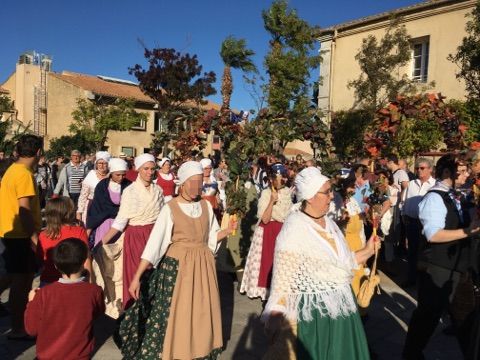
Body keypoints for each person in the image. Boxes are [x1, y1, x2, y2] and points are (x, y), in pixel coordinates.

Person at [119, 161, 235, 359]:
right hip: (178, 269)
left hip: (203, 267)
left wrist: (229, 228)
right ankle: (178, 349)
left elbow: (211, 238)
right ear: (182, 183)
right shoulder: (170, 208)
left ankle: (200, 348)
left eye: (199, 182)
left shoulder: (206, 206)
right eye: (192, 182)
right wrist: (137, 277)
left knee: (201, 310)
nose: (195, 187)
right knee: (179, 312)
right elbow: (155, 245)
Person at [263, 167, 377, 359]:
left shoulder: (329, 223)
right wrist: (276, 316)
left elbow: (344, 262)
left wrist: (368, 249)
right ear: (310, 196)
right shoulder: (294, 230)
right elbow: (283, 280)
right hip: (317, 315)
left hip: (343, 308)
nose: (331, 196)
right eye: (326, 192)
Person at [403, 155, 480, 359]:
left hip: (460, 268)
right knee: (426, 318)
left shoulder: (457, 195)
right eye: (461, 171)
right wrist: (468, 232)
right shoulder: (434, 198)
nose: (466, 175)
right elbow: (433, 234)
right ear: (447, 173)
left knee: (466, 320)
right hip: (438, 268)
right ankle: (412, 354)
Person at [100, 153, 164, 309]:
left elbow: (164, 217)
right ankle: (134, 314)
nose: (150, 172)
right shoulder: (130, 191)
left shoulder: (158, 190)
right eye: (146, 169)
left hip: (155, 235)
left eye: (152, 169)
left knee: (154, 275)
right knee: (137, 275)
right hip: (136, 238)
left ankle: (153, 312)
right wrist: (102, 243)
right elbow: (121, 222)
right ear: (138, 169)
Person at [25, 238, 105, 359]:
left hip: (48, 356)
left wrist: (31, 303)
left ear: (56, 266)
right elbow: (98, 313)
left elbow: (31, 329)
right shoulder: (95, 291)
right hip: (80, 355)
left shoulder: (44, 294)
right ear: (84, 262)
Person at [0, 134, 43, 339]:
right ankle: (18, 328)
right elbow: (24, 210)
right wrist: (34, 238)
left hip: (9, 231)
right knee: (22, 282)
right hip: (19, 235)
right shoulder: (25, 174)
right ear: (39, 153)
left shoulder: (12, 169)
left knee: (9, 276)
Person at [240, 163, 292, 301]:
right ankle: (264, 291)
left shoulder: (287, 192)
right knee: (266, 262)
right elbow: (265, 218)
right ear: (272, 179)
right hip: (268, 231)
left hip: (282, 231)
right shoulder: (266, 193)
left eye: (285, 177)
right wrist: (271, 201)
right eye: (281, 177)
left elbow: (287, 214)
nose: (284, 180)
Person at [87, 158, 131, 318]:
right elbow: (97, 209)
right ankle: (102, 299)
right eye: (118, 174)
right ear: (112, 173)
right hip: (104, 226)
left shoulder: (128, 186)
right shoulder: (102, 187)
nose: (121, 178)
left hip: (123, 228)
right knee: (103, 262)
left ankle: (118, 298)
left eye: (123, 174)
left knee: (118, 265)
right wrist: (88, 231)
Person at [37, 197, 92, 286]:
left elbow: (41, 260)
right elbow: (87, 259)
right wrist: (89, 281)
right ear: (68, 213)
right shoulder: (78, 231)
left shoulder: (43, 235)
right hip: (73, 280)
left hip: (48, 281)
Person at [402, 158, 435, 287]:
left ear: (430, 169)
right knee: (412, 252)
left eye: (422, 168)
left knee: (425, 254)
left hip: (426, 224)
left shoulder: (434, 186)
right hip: (411, 222)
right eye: (417, 168)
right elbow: (406, 200)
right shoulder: (411, 184)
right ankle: (411, 279)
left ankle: (425, 282)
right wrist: (404, 214)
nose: (419, 170)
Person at [76, 151, 111, 225]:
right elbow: (83, 195)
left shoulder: (111, 176)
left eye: (104, 163)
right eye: (99, 163)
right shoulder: (91, 175)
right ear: (96, 164)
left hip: (107, 207)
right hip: (91, 206)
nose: (102, 165)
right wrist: (79, 212)